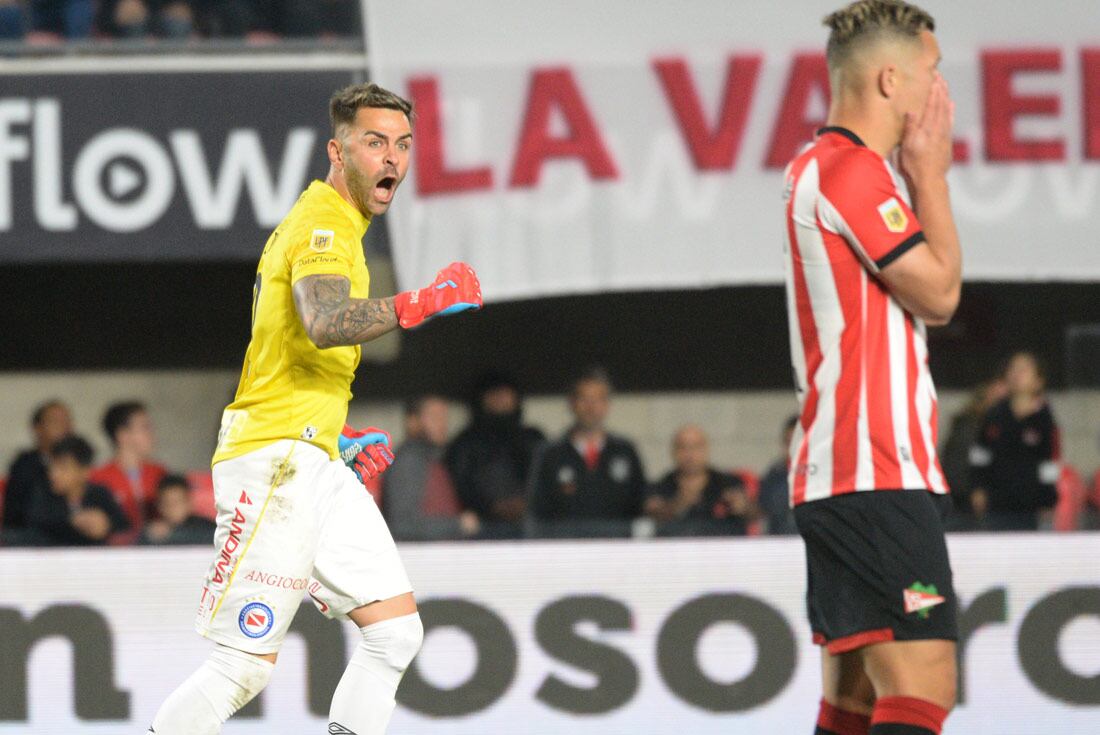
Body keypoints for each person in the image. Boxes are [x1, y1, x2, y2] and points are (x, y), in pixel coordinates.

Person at [145, 82, 481, 735]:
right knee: (243, 667)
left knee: (395, 634)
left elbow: (292, 348)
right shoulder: (325, 222)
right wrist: (420, 302)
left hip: (310, 458)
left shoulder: (339, 226)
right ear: (338, 149)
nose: (392, 158)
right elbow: (325, 320)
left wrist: (333, 435)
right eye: (375, 141)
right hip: (275, 462)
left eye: (403, 145)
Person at [782, 3, 962, 734]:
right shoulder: (850, 171)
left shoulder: (827, 168)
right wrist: (931, 174)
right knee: (925, 688)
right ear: (892, 78)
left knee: (854, 702)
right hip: (875, 471)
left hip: (850, 472)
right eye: (933, 71)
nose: (939, 91)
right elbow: (942, 292)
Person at [528, 368, 646, 537]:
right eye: (584, 399)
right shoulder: (550, 454)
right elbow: (536, 511)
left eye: (598, 399)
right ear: (572, 403)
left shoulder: (625, 451)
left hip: (617, 553)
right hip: (566, 553)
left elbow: (639, 506)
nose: (591, 407)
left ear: (607, 404)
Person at [443, 372, 544, 538]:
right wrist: (492, 507)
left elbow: (545, 479)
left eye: (505, 395)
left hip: (532, 528)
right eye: (494, 395)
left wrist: (525, 504)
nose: (500, 400)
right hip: (481, 530)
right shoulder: (465, 443)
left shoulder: (533, 439)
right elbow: (458, 486)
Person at [968, 352, 1060, 531]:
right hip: (996, 503)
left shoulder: (1044, 420)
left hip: (1031, 506)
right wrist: (977, 487)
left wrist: (1048, 500)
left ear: (1038, 381)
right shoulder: (994, 415)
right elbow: (979, 455)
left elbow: (1050, 462)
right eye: (1013, 369)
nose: (1017, 374)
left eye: (1024, 370)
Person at [383, 395, 479, 541]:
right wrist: (458, 525)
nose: (442, 423)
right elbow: (402, 525)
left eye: (445, 417)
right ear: (412, 421)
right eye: (434, 416)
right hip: (420, 558)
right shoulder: (409, 460)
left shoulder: (436, 458)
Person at [644, 424, 757, 536]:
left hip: (723, 550)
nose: (690, 455)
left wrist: (743, 507)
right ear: (673, 452)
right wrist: (679, 503)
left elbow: (756, 515)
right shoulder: (662, 485)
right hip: (677, 550)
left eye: (696, 447)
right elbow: (651, 517)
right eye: (683, 447)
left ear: (706, 450)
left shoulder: (727, 482)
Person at [25, 435, 130, 546]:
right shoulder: (43, 493)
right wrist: (73, 522)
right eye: (52, 466)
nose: (53, 474)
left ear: (85, 471)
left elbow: (123, 527)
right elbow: (35, 526)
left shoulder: (100, 494)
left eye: (63, 467)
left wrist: (106, 525)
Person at [90, 401, 167, 536]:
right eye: (145, 428)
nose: (151, 434)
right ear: (122, 434)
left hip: (158, 552)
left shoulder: (160, 473)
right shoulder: (98, 478)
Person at [938, 377, 1006, 525]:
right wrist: (975, 491)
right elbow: (957, 464)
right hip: (963, 499)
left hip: (969, 496)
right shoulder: (970, 426)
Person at [2, 400, 72, 537]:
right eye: (56, 421)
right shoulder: (24, 466)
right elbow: (18, 516)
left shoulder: (80, 465)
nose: (65, 427)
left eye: (67, 421)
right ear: (38, 428)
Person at [139, 475, 217, 546]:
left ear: (189, 502)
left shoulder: (207, 528)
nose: (172, 508)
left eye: (177, 502)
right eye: (167, 503)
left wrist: (171, 533)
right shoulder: (151, 533)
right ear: (159, 505)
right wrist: (149, 536)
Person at [757, 414, 800, 535]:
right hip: (780, 540)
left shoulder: (824, 476)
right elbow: (761, 507)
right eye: (788, 443)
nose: (793, 449)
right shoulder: (776, 473)